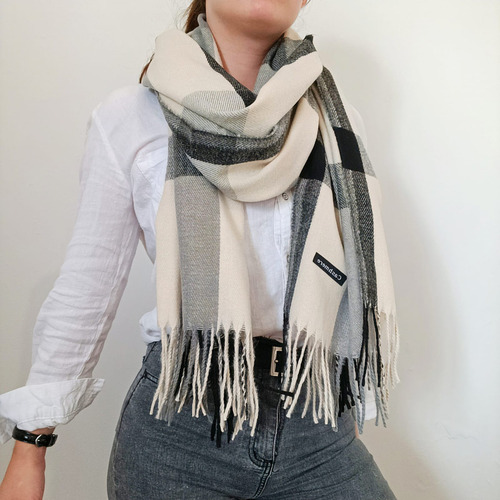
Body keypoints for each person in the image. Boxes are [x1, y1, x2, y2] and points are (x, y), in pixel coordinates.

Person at [0, 0, 401, 498]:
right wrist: (30, 446)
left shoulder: (337, 123)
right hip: (182, 427)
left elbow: (347, 285)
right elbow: (88, 287)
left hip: (314, 420)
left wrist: (342, 401)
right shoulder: (134, 115)